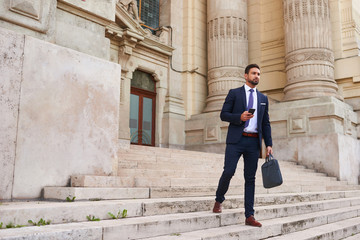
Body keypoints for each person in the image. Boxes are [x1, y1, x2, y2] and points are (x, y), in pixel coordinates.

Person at [212, 64, 273, 227]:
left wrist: (268, 144)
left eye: (259, 74)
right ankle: (219, 199)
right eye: (253, 73)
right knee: (229, 171)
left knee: (250, 178)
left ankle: (249, 215)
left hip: (253, 142)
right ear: (246, 76)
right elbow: (223, 115)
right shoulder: (234, 93)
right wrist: (239, 117)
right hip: (236, 140)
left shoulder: (263, 99)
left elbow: (265, 123)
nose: (256, 76)